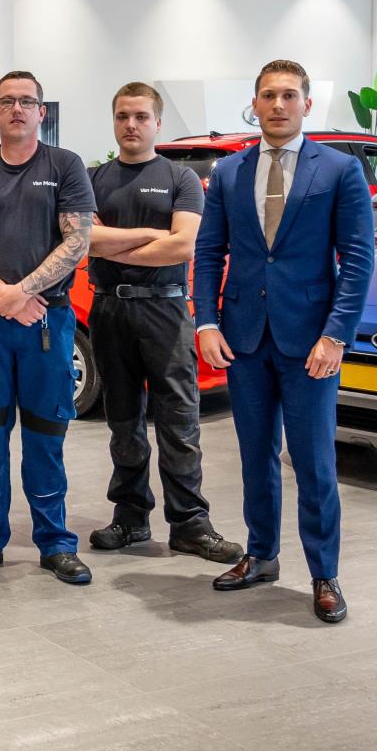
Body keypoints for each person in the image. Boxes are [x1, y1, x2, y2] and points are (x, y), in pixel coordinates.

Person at [193, 60, 375, 624]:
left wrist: (335, 335)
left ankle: (324, 573)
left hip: (311, 342)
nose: (278, 105)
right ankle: (262, 555)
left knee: (314, 461)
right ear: (255, 103)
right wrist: (206, 323)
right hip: (244, 338)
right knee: (255, 456)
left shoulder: (339, 170)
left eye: (289, 95)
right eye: (268, 95)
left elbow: (358, 261)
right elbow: (208, 252)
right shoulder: (229, 172)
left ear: (306, 105)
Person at [0, 72, 96, 585]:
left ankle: (55, 542)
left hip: (47, 319)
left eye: (26, 102)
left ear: (41, 112)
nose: (16, 109)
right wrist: (1, 296)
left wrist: (23, 291)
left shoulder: (65, 165)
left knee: (46, 432)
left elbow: (77, 241)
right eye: (6, 102)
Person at [85, 83, 243, 565]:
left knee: (179, 420)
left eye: (140, 117)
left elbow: (182, 246)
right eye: (122, 116)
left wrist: (116, 245)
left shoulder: (181, 178)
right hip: (109, 310)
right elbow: (85, 241)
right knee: (123, 421)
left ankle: (190, 523)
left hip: (166, 310)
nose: (130, 125)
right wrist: (151, 236)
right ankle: (130, 517)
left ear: (157, 122)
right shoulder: (92, 179)